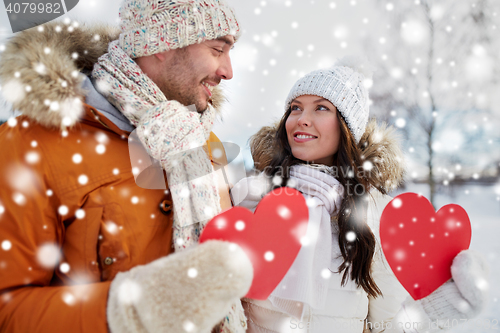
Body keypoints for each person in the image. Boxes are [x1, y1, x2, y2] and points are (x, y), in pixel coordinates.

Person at [0, 1, 254, 332]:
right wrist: (133, 309)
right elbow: (8, 308)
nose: (228, 71)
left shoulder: (204, 144)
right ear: (162, 45)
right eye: (217, 49)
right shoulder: (31, 142)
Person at [231, 56, 489, 333]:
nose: (302, 120)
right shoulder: (253, 195)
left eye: (321, 108)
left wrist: (438, 309)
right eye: (295, 108)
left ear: (347, 128)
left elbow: (386, 326)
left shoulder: (374, 213)